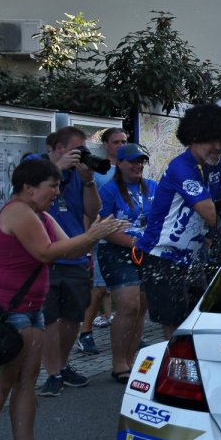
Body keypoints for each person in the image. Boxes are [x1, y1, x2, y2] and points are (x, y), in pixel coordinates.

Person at [0, 158, 123, 440]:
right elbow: (45, 253)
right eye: (52, 186)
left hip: (31, 308)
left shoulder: (41, 215)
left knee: (27, 379)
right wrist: (93, 234)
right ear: (29, 187)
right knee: (4, 381)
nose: (57, 192)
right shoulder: (18, 212)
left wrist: (96, 234)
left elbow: (73, 251)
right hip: (10, 309)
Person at [136, 104, 221, 338]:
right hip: (161, 256)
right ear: (194, 138)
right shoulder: (181, 168)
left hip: (191, 258)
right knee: (175, 327)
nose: (218, 147)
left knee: (196, 321)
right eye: (211, 140)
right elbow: (210, 215)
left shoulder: (217, 164)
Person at [38, 126, 102, 397]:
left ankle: (62, 366)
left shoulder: (78, 175)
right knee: (49, 317)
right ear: (59, 148)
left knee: (72, 316)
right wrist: (58, 169)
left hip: (75, 254)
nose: (81, 154)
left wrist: (88, 181)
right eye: (77, 149)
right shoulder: (37, 165)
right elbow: (26, 193)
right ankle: (52, 372)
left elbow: (94, 211)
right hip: (46, 254)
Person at [97, 143, 157, 383]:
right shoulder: (109, 190)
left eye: (140, 161)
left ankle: (130, 360)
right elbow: (105, 228)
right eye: (132, 161)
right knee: (129, 305)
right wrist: (134, 243)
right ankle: (118, 363)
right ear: (119, 164)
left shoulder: (152, 187)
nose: (137, 165)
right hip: (116, 251)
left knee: (142, 306)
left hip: (147, 251)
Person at [77, 128, 130, 354]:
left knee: (129, 289)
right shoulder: (99, 172)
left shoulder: (128, 169)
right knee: (99, 287)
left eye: (124, 141)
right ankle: (85, 333)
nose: (121, 145)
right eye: (116, 142)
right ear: (106, 145)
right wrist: (87, 239)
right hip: (103, 236)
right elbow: (89, 208)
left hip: (126, 236)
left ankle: (130, 335)